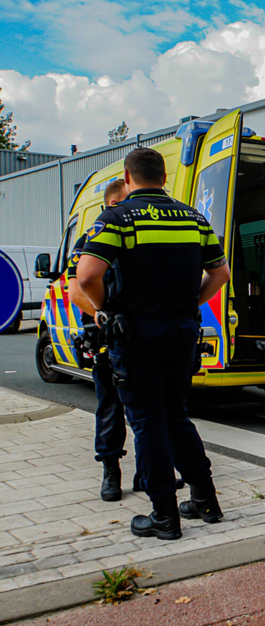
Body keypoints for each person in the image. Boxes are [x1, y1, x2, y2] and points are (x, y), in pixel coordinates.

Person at [76, 147, 231, 540]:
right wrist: (189, 303)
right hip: (182, 331)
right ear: (165, 178)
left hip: (137, 334)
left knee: (147, 423)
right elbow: (221, 273)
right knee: (176, 416)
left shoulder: (117, 217)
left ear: (128, 179)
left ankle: (164, 517)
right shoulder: (195, 219)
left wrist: (103, 309)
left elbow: (86, 275)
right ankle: (205, 501)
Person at [67, 179, 129, 501]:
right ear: (109, 205)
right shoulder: (90, 238)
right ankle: (110, 470)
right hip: (105, 332)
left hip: (136, 332)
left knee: (147, 405)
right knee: (109, 404)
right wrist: (102, 315)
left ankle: (152, 470)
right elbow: (76, 288)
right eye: (123, 203)